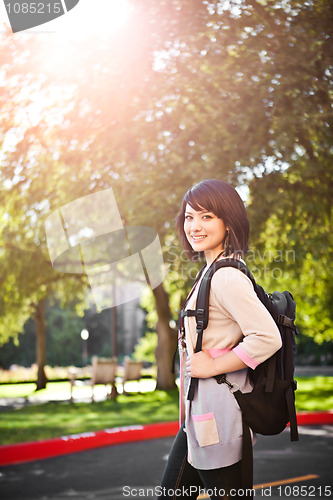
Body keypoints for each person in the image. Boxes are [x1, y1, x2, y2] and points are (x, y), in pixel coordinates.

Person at [158, 179, 282, 500]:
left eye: (206, 216)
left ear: (228, 222)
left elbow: (267, 337)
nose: (194, 226)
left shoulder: (226, 275)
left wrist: (212, 364)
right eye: (189, 217)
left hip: (220, 421)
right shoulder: (208, 271)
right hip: (197, 421)